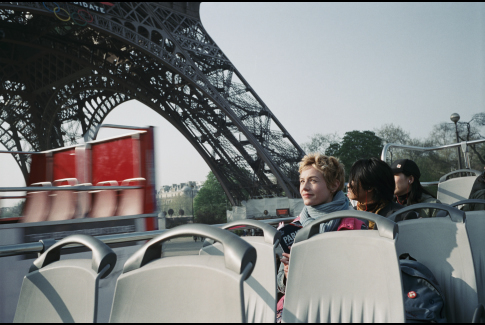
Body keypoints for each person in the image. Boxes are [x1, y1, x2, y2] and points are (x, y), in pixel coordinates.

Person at [277, 153, 350, 320]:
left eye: (313, 181)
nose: (304, 187)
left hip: (338, 307)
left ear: (334, 185)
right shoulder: (294, 226)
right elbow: (281, 284)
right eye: (302, 181)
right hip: (299, 306)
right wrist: (288, 275)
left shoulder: (353, 223)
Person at [347, 158, 409, 229]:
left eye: (353, 180)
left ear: (369, 187)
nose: (348, 185)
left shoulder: (403, 216)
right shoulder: (349, 214)